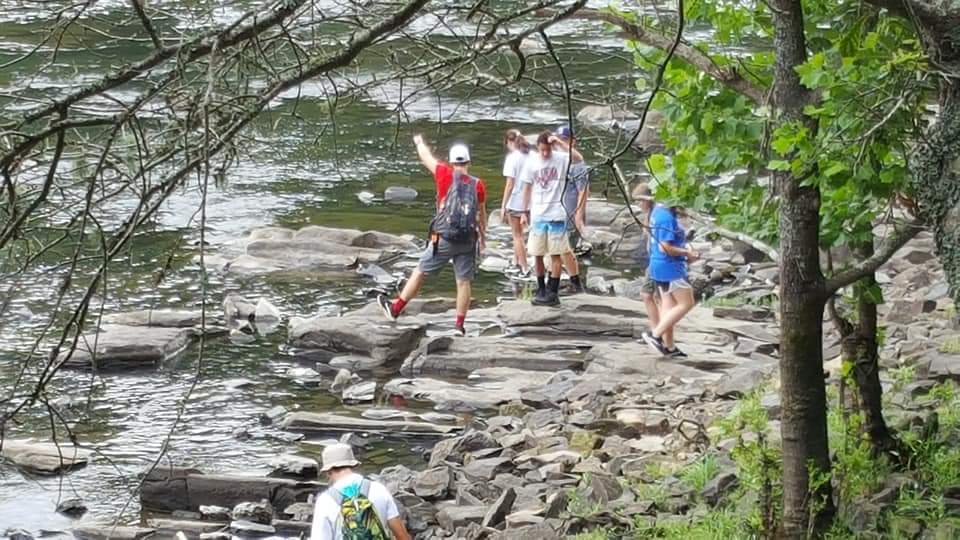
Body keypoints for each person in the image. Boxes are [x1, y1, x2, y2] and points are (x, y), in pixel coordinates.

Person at [378, 136, 486, 336]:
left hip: (444, 238)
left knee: (420, 271)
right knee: (463, 282)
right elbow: (481, 214)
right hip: (468, 240)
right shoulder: (477, 184)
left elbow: (426, 156)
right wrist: (483, 237)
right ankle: (459, 326)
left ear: (452, 162)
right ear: (469, 162)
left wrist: (419, 142)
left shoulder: (444, 173)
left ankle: (395, 309)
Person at [519, 130, 583, 306]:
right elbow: (526, 188)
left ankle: (552, 292)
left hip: (556, 214)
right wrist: (524, 212)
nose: (545, 153)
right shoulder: (532, 162)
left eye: (548, 150)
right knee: (537, 254)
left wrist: (559, 143)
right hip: (538, 215)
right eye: (542, 150)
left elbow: (578, 158)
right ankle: (541, 288)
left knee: (555, 254)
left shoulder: (561, 158)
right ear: (537, 148)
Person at [310, 443, 411, 540]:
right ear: (353, 465)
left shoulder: (325, 501)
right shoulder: (379, 489)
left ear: (328, 471)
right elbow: (402, 536)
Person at [641, 200, 699, 357]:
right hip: (670, 267)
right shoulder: (667, 218)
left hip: (657, 266)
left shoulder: (657, 211)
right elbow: (665, 247)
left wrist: (685, 246)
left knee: (668, 304)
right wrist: (687, 253)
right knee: (686, 303)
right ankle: (655, 335)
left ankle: (669, 346)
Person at [556, 125, 588, 293]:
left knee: (569, 249)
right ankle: (565, 280)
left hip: (571, 213)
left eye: (564, 140)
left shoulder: (578, 164)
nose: (560, 143)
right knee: (558, 249)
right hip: (557, 213)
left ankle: (576, 283)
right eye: (559, 139)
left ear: (572, 142)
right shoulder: (557, 161)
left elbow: (583, 190)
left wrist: (579, 215)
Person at [500, 129, 532, 275]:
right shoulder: (532, 155)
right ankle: (515, 260)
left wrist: (503, 205)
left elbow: (510, 184)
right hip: (531, 201)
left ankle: (524, 267)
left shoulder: (512, 158)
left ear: (508, 142)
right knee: (522, 234)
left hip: (516, 201)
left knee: (517, 235)